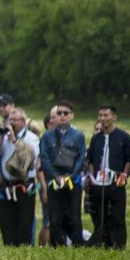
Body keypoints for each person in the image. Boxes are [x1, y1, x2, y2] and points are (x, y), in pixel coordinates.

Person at [38, 103, 88, 248]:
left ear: (71, 115)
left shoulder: (78, 135)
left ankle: (78, 246)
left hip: (73, 182)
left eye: (66, 113)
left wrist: (70, 177)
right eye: (59, 113)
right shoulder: (47, 136)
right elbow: (45, 158)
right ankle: (57, 247)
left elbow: (81, 158)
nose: (62, 116)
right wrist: (55, 176)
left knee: (74, 217)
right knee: (55, 217)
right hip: (54, 181)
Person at [0, 107, 38, 247]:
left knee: (24, 222)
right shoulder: (4, 137)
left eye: (14, 121)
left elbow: (28, 158)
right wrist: (1, 137)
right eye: (9, 121)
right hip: (7, 185)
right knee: (7, 222)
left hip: (24, 185)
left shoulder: (31, 138)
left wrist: (14, 139)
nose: (11, 123)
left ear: (22, 121)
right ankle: (9, 249)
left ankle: (24, 250)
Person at [85, 106, 130, 249]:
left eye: (106, 115)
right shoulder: (96, 138)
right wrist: (93, 179)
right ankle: (103, 244)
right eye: (100, 115)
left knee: (118, 217)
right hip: (99, 184)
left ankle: (119, 246)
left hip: (116, 183)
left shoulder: (124, 137)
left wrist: (123, 177)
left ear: (114, 117)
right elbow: (91, 160)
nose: (103, 118)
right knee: (100, 217)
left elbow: (128, 160)